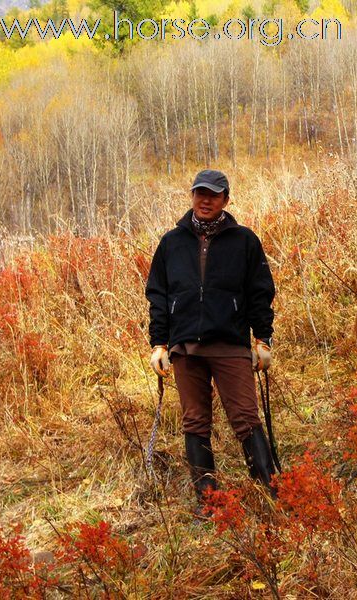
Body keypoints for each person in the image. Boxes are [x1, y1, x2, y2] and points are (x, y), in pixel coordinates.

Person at [144, 169, 277, 512]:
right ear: (192, 196)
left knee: (246, 418)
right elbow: (158, 295)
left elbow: (260, 292)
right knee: (195, 422)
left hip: (230, 344)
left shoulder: (244, 241)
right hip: (185, 348)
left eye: (213, 195)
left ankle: (271, 495)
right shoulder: (171, 242)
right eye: (200, 193)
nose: (205, 200)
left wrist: (262, 339)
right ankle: (209, 504)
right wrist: (158, 344)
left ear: (225, 200)